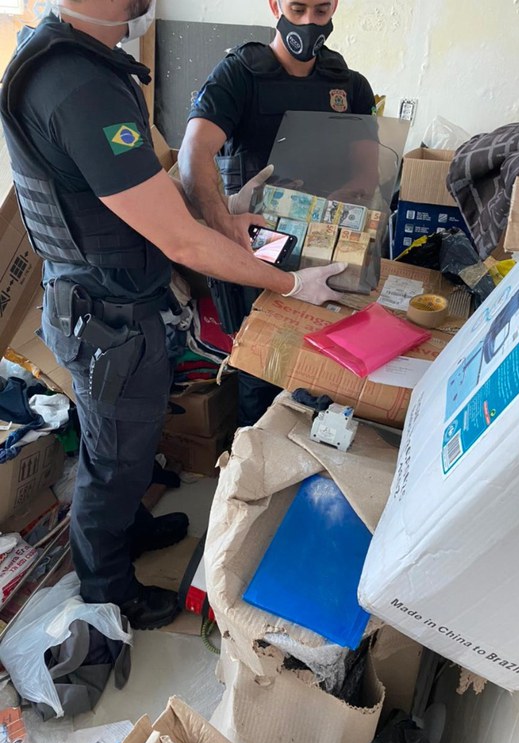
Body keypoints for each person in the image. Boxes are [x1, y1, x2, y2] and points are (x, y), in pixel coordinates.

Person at [0, 0, 345, 630]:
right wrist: (292, 282)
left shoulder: (83, 62)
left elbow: (146, 197)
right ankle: (109, 588)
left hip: (111, 307)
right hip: (104, 319)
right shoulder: (77, 85)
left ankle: (129, 529)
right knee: (112, 461)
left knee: (130, 444)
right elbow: (182, 242)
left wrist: (224, 211)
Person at [179, 0, 376, 426]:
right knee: (264, 371)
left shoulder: (349, 84)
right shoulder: (238, 76)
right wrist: (224, 222)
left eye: (320, 11)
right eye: (297, 8)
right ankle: (251, 458)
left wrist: (356, 192)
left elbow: (369, 169)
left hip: (328, 244)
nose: (308, 22)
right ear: (275, 5)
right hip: (260, 244)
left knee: (328, 368)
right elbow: (193, 155)